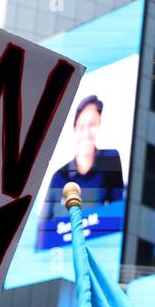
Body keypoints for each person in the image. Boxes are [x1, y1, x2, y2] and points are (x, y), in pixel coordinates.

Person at [37, 95, 126, 248]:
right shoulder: (59, 176)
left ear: (99, 124)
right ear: (75, 128)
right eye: (81, 127)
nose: (86, 132)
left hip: (100, 245)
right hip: (64, 249)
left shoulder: (110, 159)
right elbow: (43, 229)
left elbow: (117, 210)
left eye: (92, 124)